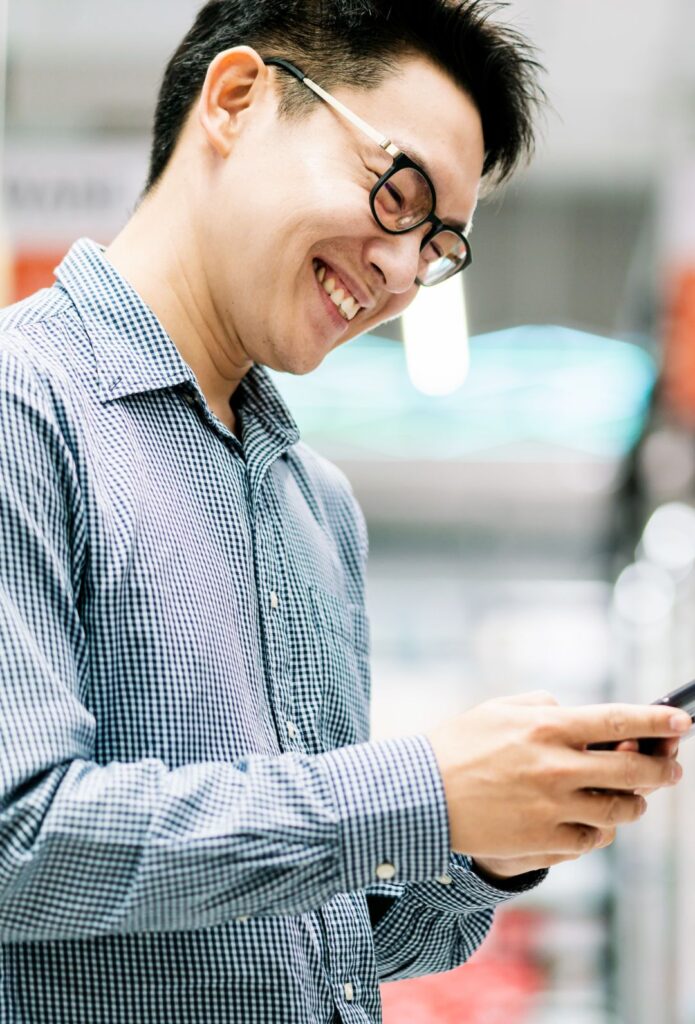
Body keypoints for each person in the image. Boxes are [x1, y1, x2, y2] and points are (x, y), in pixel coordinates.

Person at [0, 2, 689, 1022]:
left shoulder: (315, 506)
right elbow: (20, 845)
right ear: (236, 100)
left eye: (439, 245)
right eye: (398, 192)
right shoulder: (27, 404)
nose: (405, 270)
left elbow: (325, 933)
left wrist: (483, 845)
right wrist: (417, 790)